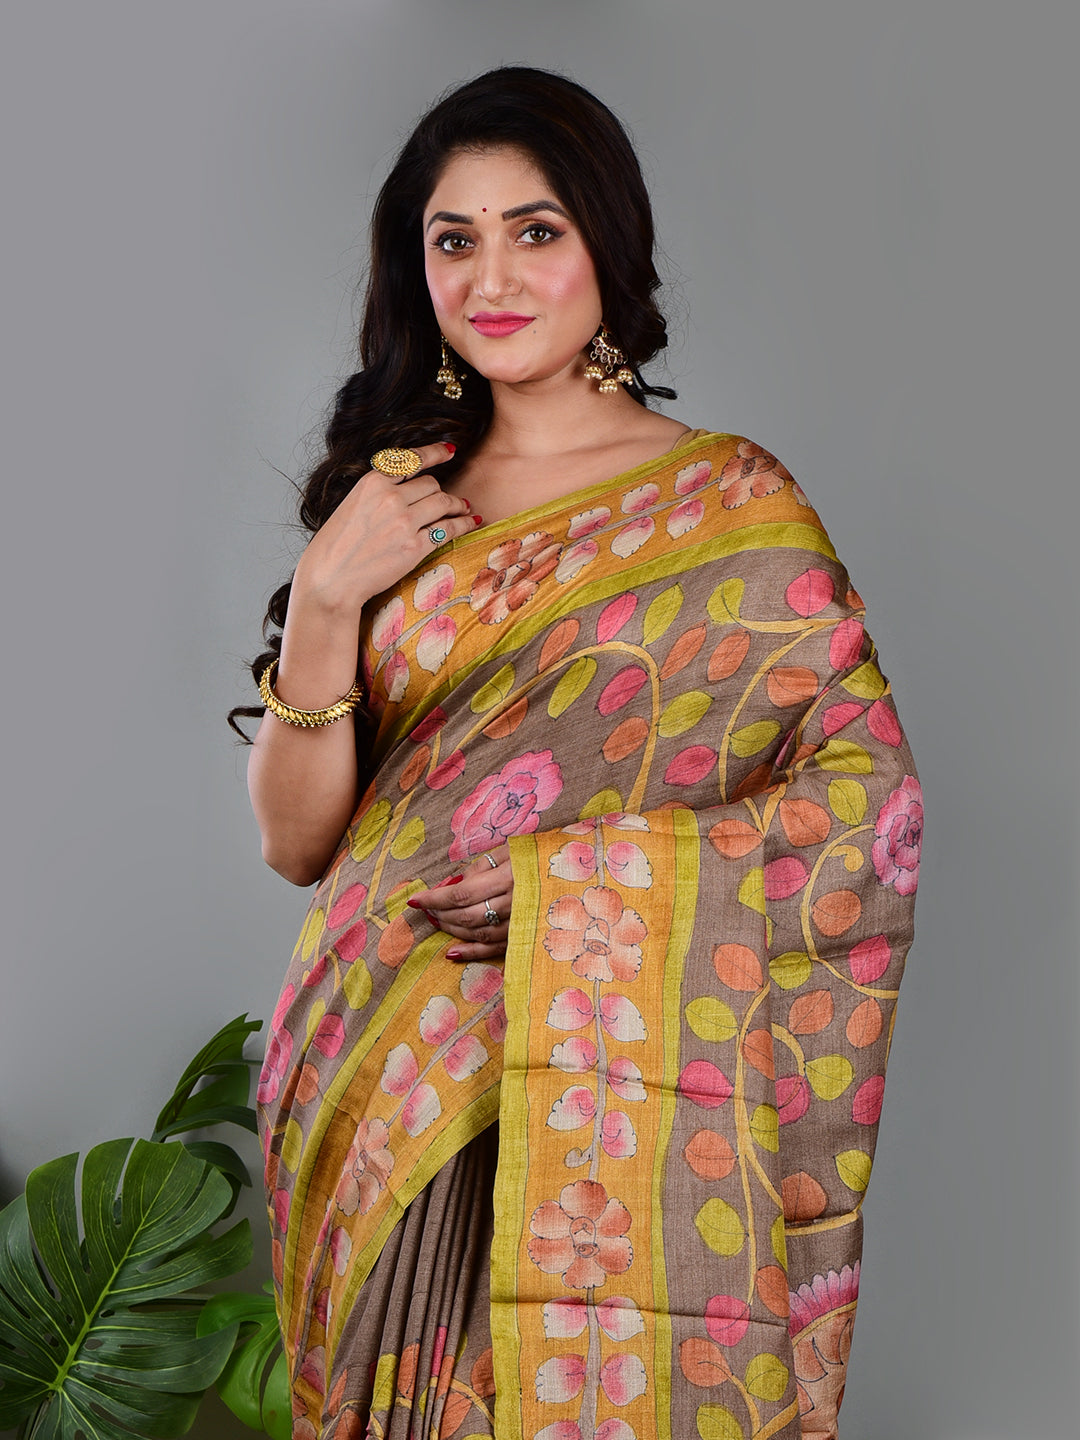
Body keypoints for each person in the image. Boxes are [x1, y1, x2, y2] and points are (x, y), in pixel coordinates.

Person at [238, 66, 921, 1440]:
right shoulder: (389, 507)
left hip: (600, 1061)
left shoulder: (732, 508)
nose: (491, 277)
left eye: (534, 231)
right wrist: (322, 600)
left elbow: (870, 806)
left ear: (607, 243)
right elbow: (298, 845)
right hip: (381, 1058)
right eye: (454, 239)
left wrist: (582, 886)